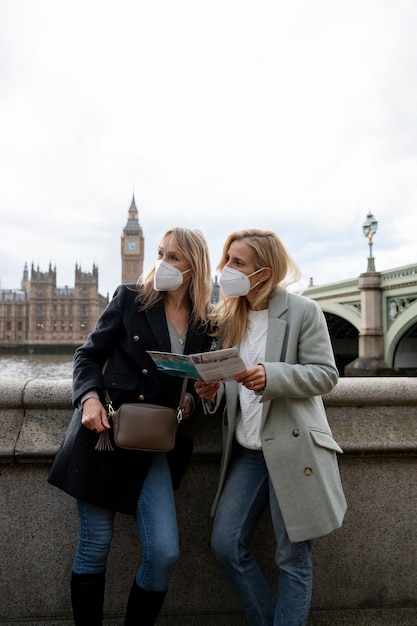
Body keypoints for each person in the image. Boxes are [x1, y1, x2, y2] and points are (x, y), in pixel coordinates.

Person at [48, 227, 215, 626]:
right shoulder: (129, 299)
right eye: (159, 253)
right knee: (95, 545)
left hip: (155, 441)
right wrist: (88, 397)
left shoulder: (205, 322)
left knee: (164, 553)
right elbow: (87, 356)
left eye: (173, 257)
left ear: (194, 267)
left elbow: (192, 384)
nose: (162, 263)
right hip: (105, 434)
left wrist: (194, 397)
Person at [196, 228, 347, 626]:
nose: (226, 269)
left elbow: (326, 375)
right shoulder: (229, 316)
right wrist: (211, 391)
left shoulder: (303, 311)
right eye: (227, 259)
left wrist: (272, 376)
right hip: (248, 452)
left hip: (291, 450)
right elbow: (231, 387)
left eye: (237, 262)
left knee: (293, 558)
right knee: (226, 545)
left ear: (263, 272)